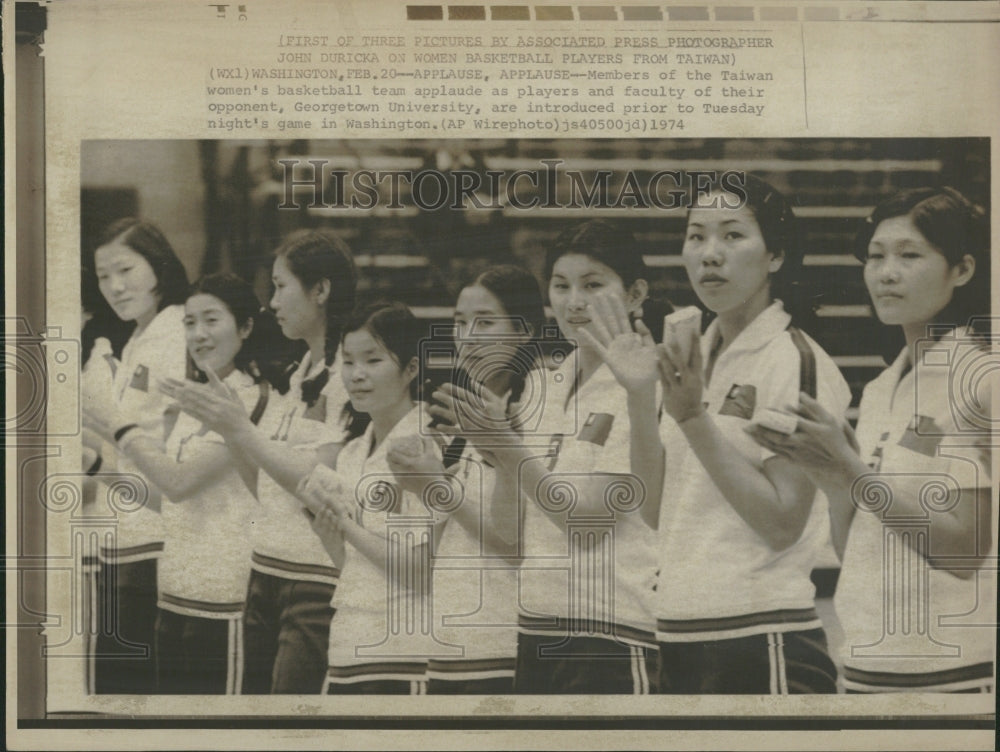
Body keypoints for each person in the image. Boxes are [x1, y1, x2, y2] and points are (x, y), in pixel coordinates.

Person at [582, 175, 851, 694]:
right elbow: (654, 509)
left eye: (732, 236)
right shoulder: (695, 352)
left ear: (775, 256)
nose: (710, 254)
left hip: (763, 637)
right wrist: (642, 396)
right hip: (679, 630)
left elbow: (781, 524)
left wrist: (692, 420)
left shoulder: (792, 359)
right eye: (696, 236)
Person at [746, 186, 995, 693]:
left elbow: (964, 550)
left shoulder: (982, 377)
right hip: (864, 667)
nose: (885, 272)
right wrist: (834, 480)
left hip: (955, 675)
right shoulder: (884, 388)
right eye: (875, 256)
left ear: (963, 270)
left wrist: (854, 470)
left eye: (909, 255)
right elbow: (855, 545)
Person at [441, 221, 664, 694]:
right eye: (560, 286)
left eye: (593, 284)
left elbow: (586, 524)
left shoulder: (644, 385)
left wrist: (506, 447)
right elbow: (510, 534)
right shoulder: (542, 385)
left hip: (610, 628)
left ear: (635, 293)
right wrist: (496, 451)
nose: (573, 301)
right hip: (535, 624)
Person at [164, 229, 359, 694]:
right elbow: (265, 488)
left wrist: (240, 428)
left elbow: (318, 482)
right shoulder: (297, 377)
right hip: (265, 571)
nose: (270, 302)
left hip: (312, 579)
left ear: (321, 290)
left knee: (290, 722)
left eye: (279, 286)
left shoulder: (349, 375)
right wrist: (231, 429)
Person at [93, 274, 281, 693]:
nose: (198, 334)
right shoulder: (193, 400)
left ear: (246, 327)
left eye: (211, 320)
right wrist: (98, 468)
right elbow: (170, 501)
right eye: (190, 323)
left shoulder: (248, 399)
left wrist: (118, 426)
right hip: (173, 592)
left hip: (225, 601)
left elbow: (178, 483)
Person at [388, 264, 549, 694]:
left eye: (485, 322)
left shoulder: (532, 413)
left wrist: (437, 489)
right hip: (447, 642)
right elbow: (440, 547)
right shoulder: (458, 419)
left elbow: (513, 544)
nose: (468, 335)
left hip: (501, 642)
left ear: (526, 330)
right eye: (460, 322)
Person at [300, 302, 438, 695]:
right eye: (348, 361)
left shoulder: (429, 443)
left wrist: (345, 527)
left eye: (373, 360)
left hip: (403, 650)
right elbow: (353, 563)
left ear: (411, 369)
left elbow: (420, 570)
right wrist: (331, 533)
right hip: (348, 641)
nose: (357, 375)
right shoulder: (351, 452)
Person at [81, 218, 190, 694]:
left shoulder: (177, 335)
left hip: (154, 542)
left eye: (125, 269)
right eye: (103, 276)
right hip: (120, 535)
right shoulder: (139, 340)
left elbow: (170, 462)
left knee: (131, 693)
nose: (114, 286)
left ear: (159, 264)